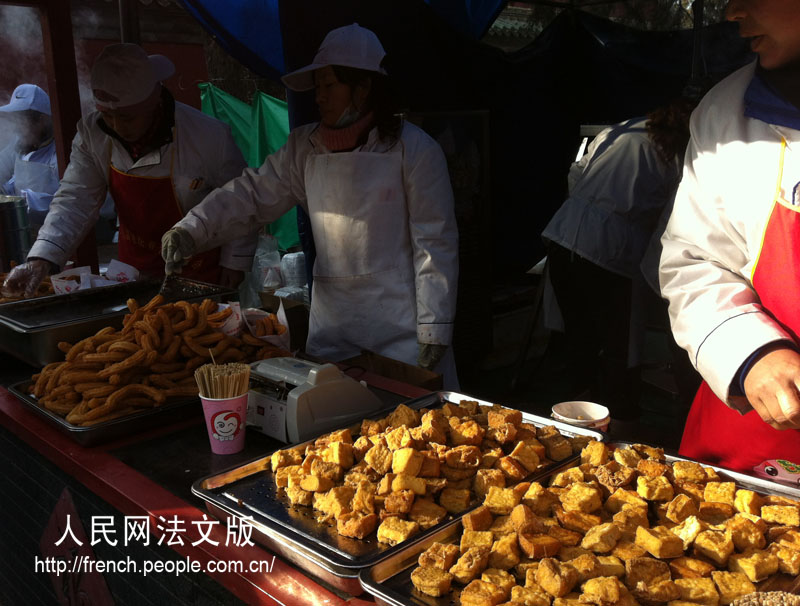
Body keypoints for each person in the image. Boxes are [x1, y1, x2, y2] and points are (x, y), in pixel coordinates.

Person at [161, 24, 460, 385]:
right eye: (318, 86)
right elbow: (251, 195)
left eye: (330, 86)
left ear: (363, 88)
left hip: (401, 334)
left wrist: (434, 330)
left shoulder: (415, 149)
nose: (319, 96)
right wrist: (192, 229)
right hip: (333, 332)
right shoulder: (304, 147)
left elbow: (435, 243)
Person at [660, 0, 800, 472]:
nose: (734, 12)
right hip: (754, 432)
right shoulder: (725, 112)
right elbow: (694, 260)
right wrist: (754, 353)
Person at [2, 43, 253, 296]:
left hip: (199, 272)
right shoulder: (93, 134)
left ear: (155, 98)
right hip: (133, 272)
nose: (116, 126)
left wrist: (236, 261)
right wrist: (42, 257)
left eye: (127, 117)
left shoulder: (209, 136)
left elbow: (238, 200)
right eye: (107, 116)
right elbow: (75, 199)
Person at [542, 96, 698, 421]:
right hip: (609, 249)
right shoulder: (679, 153)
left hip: (564, 233)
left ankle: (578, 414)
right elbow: (673, 218)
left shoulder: (620, 129)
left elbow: (575, 171)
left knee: (579, 334)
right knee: (618, 343)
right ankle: (617, 416)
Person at [0, 84, 59, 229]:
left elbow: (63, 203)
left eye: (24, 121)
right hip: (23, 227)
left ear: (43, 119)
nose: (19, 128)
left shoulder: (61, 152)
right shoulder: (19, 144)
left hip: (56, 231)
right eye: (16, 120)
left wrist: (17, 200)